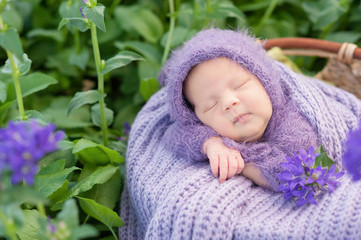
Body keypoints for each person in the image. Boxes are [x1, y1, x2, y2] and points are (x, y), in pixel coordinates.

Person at [159, 28, 322, 191]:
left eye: (240, 85)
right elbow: (175, 133)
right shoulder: (207, 131)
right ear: (196, 117)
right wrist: (210, 143)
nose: (229, 103)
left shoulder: (293, 124)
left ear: (265, 83)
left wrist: (246, 165)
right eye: (211, 105)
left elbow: (296, 177)